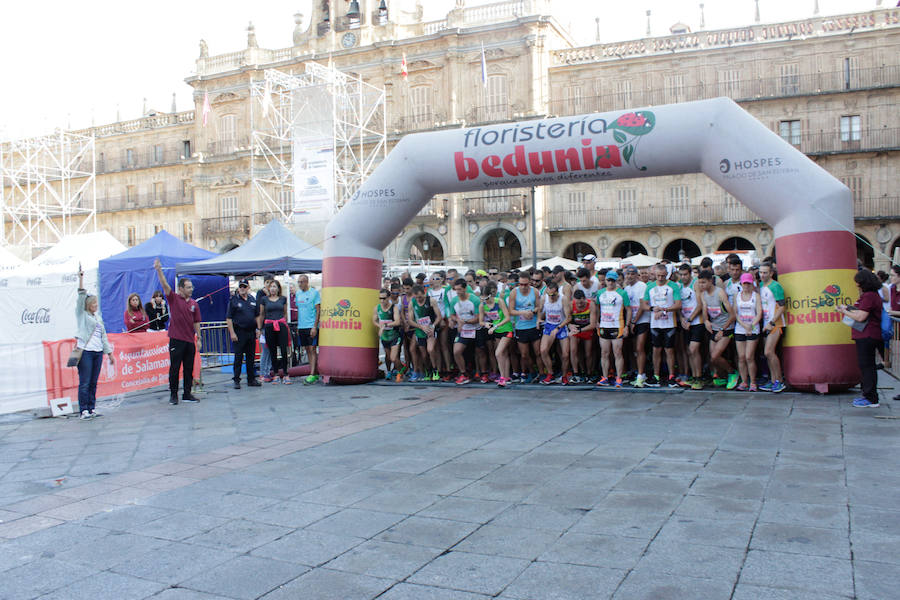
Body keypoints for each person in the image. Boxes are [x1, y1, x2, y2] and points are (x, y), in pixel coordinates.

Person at [154, 258, 201, 405]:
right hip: (176, 339)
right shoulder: (173, 298)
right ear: (180, 289)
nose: (191, 289)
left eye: (191, 287)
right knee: (175, 368)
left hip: (189, 340)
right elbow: (165, 285)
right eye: (188, 287)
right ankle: (173, 395)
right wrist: (159, 270)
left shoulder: (194, 304)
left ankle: (187, 393)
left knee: (188, 368)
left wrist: (198, 338)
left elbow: (196, 322)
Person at [838, 269, 884, 407]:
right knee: (867, 366)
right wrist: (848, 308)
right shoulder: (871, 295)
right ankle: (868, 395)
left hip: (867, 334)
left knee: (867, 367)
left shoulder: (869, 296)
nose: (857, 285)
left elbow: (861, 316)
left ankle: (871, 397)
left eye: (858, 283)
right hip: (867, 334)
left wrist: (844, 311)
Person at [74, 267, 115, 420]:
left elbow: (103, 336)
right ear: (89, 304)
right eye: (94, 303)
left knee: (93, 382)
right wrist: (81, 280)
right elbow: (80, 298)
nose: (96, 306)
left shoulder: (98, 318)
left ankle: (91, 408)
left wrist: (109, 353)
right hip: (86, 351)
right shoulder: (83, 315)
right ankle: (83, 409)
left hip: (97, 352)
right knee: (84, 381)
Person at [641, 264, 682, 388]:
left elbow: (678, 304)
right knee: (656, 350)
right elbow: (644, 305)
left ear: (667, 275)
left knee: (669, 350)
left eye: (663, 276)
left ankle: (671, 376)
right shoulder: (650, 287)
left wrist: (664, 310)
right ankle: (656, 376)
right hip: (655, 323)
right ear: (654, 274)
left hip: (669, 322)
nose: (660, 278)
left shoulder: (673, 286)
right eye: (658, 276)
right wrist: (653, 308)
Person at [698, 269, 736, 388]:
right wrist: (706, 321)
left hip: (726, 327)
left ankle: (732, 373)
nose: (701, 285)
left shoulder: (720, 293)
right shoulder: (703, 294)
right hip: (713, 327)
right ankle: (722, 376)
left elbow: (732, 315)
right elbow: (705, 309)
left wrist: (722, 330)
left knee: (715, 356)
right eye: (699, 283)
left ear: (710, 281)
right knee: (712, 358)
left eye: (703, 282)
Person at [595, 270, 630, 388]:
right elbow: (596, 307)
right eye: (608, 280)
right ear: (605, 281)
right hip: (604, 326)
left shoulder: (622, 293)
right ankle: (604, 377)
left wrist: (627, 326)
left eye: (612, 280)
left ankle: (618, 378)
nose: (610, 283)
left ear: (616, 281)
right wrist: (596, 321)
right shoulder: (600, 293)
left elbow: (628, 309)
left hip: (617, 325)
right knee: (604, 353)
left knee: (618, 353)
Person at [226, 279, 261, 389]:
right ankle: (236, 379)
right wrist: (232, 333)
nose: (242, 288)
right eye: (240, 286)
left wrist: (258, 329)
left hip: (251, 332)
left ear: (248, 288)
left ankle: (251, 379)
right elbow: (229, 318)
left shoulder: (252, 299)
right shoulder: (234, 300)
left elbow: (257, 315)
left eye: (244, 286)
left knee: (251, 357)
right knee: (238, 357)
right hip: (239, 332)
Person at [449, 278, 485, 385]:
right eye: (456, 290)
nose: (458, 292)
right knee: (456, 351)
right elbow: (452, 315)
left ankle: (483, 373)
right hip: (463, 330)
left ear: (465, 289)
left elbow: (479, 317)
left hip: (476, 329)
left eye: (460, 290)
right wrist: (455, 320)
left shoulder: (474, 300)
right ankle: (463, 373)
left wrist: (464, 321)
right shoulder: (454, 300)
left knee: (480, 352)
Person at [508, 271, 542, 383]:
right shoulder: (514, 292)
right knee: (524, 354)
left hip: (533, 325)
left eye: (525, 284)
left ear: (530, 283)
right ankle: (532, 372)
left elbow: (539, 307)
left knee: (538, 352)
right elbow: (511, 311)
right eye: (521, 284)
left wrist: (532, 312)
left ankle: (541, 374)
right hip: (521, 327)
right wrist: (523, 313)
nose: (523, 287)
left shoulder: (535, 291)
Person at [758, 262, 787, 393]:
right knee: (768, 354)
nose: (762, 275)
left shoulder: (776, 286)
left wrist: (772, 322)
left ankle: (779, 381)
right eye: (760, 272)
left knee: (768, 352)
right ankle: (773, 379)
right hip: (765, 323)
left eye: (765, 272)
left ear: (771, 273)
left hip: (776, 323)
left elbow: (782, 307)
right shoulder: (760, 285)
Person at [480, 282, 514, 387]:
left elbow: (507, 317)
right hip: (497, 331)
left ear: (490, 295)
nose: (485, 301)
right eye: (483, 299)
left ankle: (502, 377)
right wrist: (486, 324)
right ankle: (507, 376)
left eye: (486, 299)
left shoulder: (499, 301)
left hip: (506, 329)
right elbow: (480, 321)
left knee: (498, 353)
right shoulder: (482, 306)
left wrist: (496, 326)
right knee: (503, 354)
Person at [733, 273, 763, 391]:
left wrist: (751, 325)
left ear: (752, 284)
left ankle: (753, 382)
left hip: (753, 327)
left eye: (748, 283)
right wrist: (744, 325)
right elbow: (735, 312)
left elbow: (759, 312)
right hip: (740, 327)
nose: (746, 285)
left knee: (749, 356)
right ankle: (744, 381)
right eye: (744, 283)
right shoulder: (737, 296)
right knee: (741, 357)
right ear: (741, 283)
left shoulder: (756, 296)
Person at [676, 263, 704, 390]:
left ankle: (699, 377)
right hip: (685, 322)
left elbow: (700, 305)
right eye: (681, 275)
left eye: (685, 274)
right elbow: (678, 305)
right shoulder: (679, 286)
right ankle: (693, 376)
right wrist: (682, 318)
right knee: (688, 351)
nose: (683, 277)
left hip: (697, 321)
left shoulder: (695, 284)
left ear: (690, 274)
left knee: (694, 349)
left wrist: (690, 319)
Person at [408, 283, 443, 382]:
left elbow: (439, 316)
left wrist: (433, 326)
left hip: (430, 329)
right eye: (416, 297)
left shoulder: (431, 300)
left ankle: (435, 370)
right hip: (420, 330)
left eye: (420, 297)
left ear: (424, 293)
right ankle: (428, 370)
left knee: (430, 349)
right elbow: (410, 320)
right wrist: (421, 326)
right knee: (423, 354)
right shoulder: (412, 302)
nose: (419, 299)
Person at [259, 279, 292, 384]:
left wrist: (283, 323)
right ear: (269, 289)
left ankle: (286, 374)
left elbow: (285, 313)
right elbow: (262, 314)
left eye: (275, 286)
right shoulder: (264, 299)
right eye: (271, 286)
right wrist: (260, 329)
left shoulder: (283, 299)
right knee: (272, 351)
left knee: (283, 350)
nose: (273, 288)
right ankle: (276, 374)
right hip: (269, 326)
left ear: (278, 289)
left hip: (281, 325)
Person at [539, 280, 571, 385]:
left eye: (553, 295)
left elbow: (568, 318)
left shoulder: (563, 299)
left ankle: (564, 375)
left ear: (557, 292)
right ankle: (550, 373)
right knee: (543, 350)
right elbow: (540, 311)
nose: (551, 297)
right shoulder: (544, 298)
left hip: (560, 326)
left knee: (565, 354)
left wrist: (558, 327)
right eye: (549, 294)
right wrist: (538, 320)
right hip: (549, 325)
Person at [623, 266, 650, 385]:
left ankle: (641, 375)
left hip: (642, 320)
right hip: (631, 322)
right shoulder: (626, 289)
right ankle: (637, 372)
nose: (629, 276)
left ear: (636, 275)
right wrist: (628, 323)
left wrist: (634, 322)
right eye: (627, 274)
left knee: (640, 348)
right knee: (633, 349)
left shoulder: (642, 286)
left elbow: (642, 306)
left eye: (632, 274)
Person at [295, 274, 321, 384]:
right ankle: (314, 372)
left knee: (312, 349)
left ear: (307, 282)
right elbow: (300, 310)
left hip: (311, 326)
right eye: (299, 282)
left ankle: (312, 374)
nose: (300, 284)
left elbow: (318, 310)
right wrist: (298, 325)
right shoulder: (298, 294)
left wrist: (315, 326)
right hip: (302, 326)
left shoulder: (314, 293)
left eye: (302, 282)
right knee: (307, 350)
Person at [568, 289, 597, 384]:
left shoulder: (591, 304)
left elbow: (593, 324)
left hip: (587, 328)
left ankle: (589, 374)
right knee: (573, 350)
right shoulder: (571, 304)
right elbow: (566, 320)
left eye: (581, 303)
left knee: (588, 353)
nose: (579, 305)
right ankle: (576, 373)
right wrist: (569, 326)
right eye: (577, 303)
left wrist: (580, 330)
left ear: (584, 299)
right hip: (576, 328)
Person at [374, 288, 402, 379]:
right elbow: (374, 320)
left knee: (393, 358)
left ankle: (401, 371)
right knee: (387, 356)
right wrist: (380, 326)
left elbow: (398, 322)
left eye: (384, 298)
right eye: (380, 298)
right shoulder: (377, 308)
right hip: (385, 336)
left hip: (394, 335)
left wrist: (385, 325)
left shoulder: (394, 307)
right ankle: (389, 371)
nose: (382, 301)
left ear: (389, 297)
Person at [256, 276, 275, 381]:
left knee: (271, 350)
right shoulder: (260, 294)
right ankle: (263, 372)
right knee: (265, 351)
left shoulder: (273, 295)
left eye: (270, 283)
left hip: (272, 326)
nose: (269, 285)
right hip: (263, 327)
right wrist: (259, 328)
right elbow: (260, 310)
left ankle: (268, 371)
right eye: (267, 282)